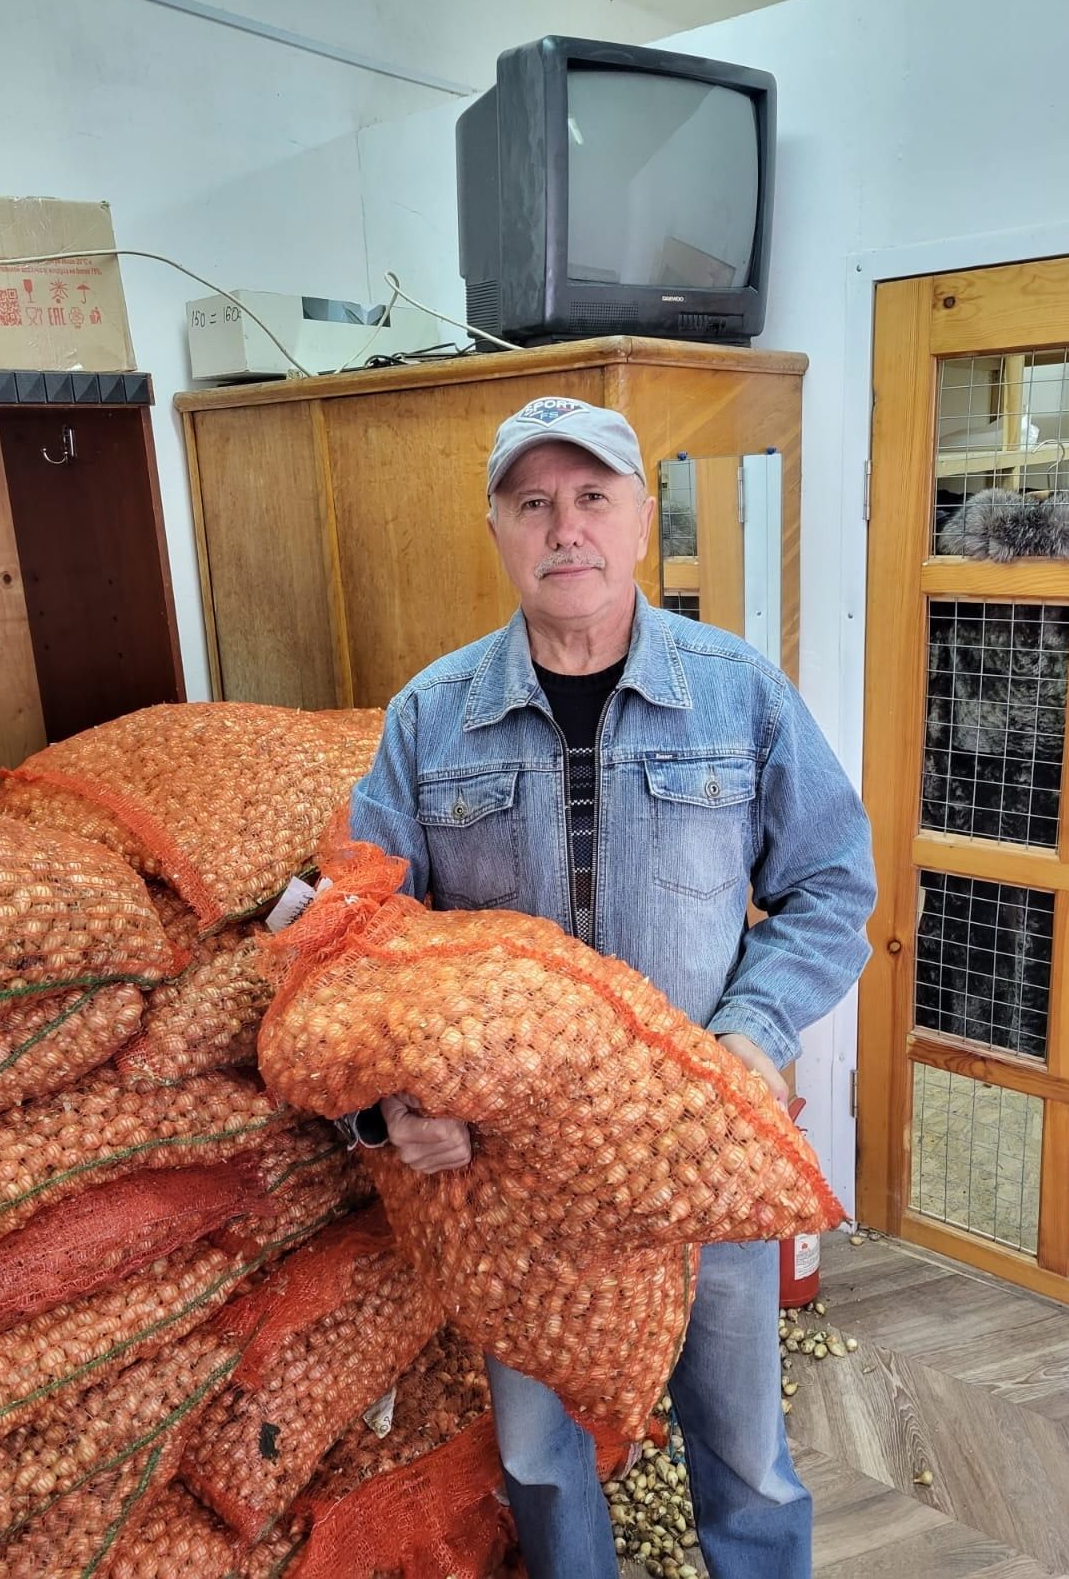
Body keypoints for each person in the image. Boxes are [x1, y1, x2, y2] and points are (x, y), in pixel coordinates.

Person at [346, 395, 876, 1579]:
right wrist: (387, 1108)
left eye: (592, 498)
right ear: (496, 527)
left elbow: (834, 886)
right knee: (539, 1457)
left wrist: (749, 1033)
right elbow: (359, 946)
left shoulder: (740, 695)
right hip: (513, 1184)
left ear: (641, 519)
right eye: (534, 502)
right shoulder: (429, 721)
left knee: (744, 1453)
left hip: (695, 1159)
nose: (564, 527)